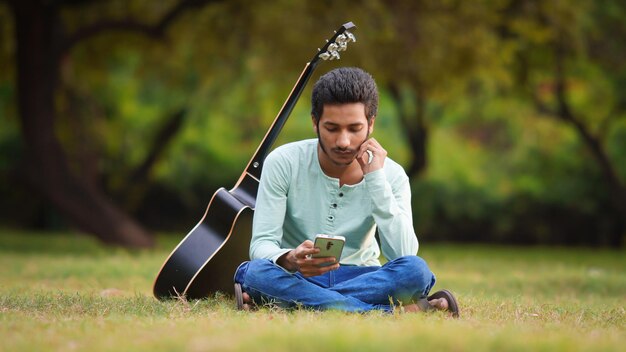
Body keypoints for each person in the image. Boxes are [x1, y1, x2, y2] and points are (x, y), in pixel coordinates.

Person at [233, 67, 459, 316]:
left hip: (365, 277)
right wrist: (291, 259)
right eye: (332, 128)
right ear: (315, 122)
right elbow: (262, 244)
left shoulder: (392, 175)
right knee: (256, 273)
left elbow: (403, 254)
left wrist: (375, 179)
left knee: (416, 271)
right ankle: (391, 314)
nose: (343, 141)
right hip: (299, 275)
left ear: (370, 124)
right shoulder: (284, 162)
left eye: (354, 128)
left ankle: (292, 302)